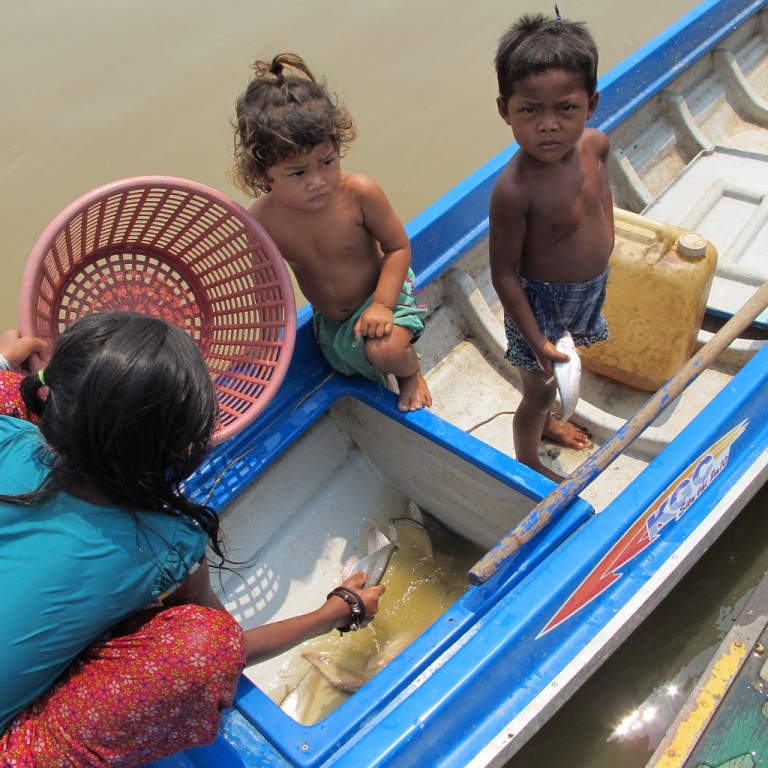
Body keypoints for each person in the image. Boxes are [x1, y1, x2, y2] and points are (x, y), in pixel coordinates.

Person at [0, 313, 384, 767]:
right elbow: (231, 647)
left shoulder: (8, 432)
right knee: (203, 646)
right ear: (178, 451)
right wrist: (332, 613)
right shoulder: (167, 543)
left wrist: (6, 363)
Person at [232, 53, 432, 413]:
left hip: (384, 298)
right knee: (343, 365)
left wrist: (383, 306)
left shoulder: (358, 193)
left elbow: (398, 247)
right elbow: (267, 293)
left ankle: (409, 373)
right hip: (332, 322)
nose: (317, 181)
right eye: (297, 173)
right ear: (264, 175)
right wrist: (263, 344)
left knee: (385, 350)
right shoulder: (262, 221)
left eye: (327, 162)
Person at [489, 11, 614, 482]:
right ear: (505, 110)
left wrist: (607, 254)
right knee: (538, 391)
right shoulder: (514, 190)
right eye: (529, 111)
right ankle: (528, 457)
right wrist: (537, 339)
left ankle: (549, 425)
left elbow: (604, 201)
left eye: (566, 108)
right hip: (537, 308)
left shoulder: (596, 146)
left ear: (591, 103)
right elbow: (503, 273)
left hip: (587, 291)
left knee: (562, 373)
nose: (548, 125)